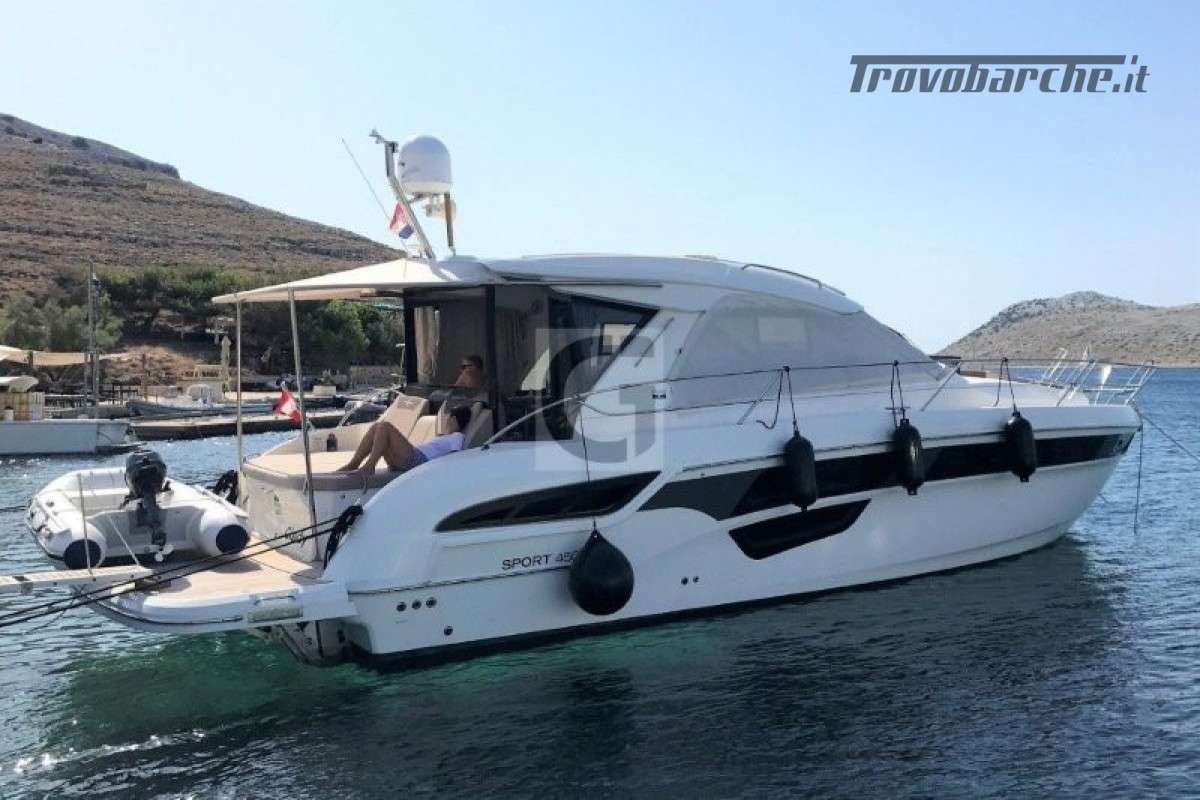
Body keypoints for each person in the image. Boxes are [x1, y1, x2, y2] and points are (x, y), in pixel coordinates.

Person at [338, 404, 473, 476]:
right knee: (376, 427)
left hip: (419, 461)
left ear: (453, 419)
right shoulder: (444, 436)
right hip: (410, 460)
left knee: (385, 426)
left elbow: (455, 458)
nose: (447, 421)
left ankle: (370, 465)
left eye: (449, 418)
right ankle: (353, 464)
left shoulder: (457, 436)